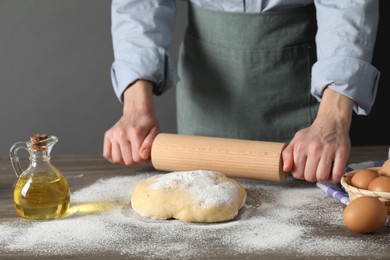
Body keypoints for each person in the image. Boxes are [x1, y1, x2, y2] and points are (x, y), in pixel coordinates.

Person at [103, 0, 380, 183]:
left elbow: (347, 5)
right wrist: (136, 106)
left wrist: (332, 118)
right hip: (207, 90)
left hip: (305, 87)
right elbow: (140, 4)